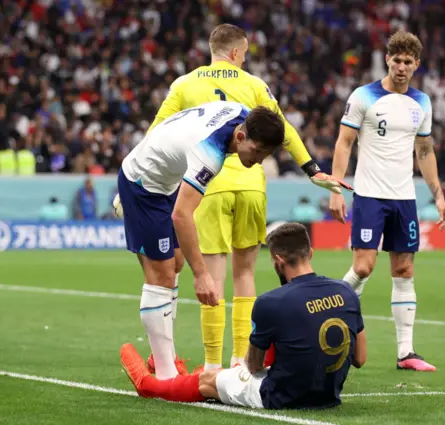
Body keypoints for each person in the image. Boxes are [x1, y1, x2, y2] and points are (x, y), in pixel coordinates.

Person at [145, 23, 352, 371]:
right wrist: (312, 169)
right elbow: (283, 130)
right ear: (238, 53)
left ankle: (212, 365)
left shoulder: (185, 84)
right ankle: (241, 361)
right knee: (245, 275)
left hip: (208, 183)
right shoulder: (255, 85)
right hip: (252, 186)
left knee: (213, 275)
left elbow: (157, 131)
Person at [115, 101, 285, 380]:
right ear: (241, 137)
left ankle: (163, 359)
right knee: (162, 276)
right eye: (257, 151)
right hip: (144, 187)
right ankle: (167, 377)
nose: (258, 160)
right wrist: (202, 275)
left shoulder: (243, 113)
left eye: (265, 155)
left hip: (167, 179)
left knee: (176, 263)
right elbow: (182, 216)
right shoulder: (210, 153)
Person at [119, 222, 367, 409]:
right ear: (310, 253)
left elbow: (254, 366)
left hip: (279, 397)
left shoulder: (271, 302)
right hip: (329, 396)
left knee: (208, 381)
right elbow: (360, 358)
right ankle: (184, 376)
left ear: (278, 260)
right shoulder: (347, 292)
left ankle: (148, 386)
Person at [329, 30, 445, 372]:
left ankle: (406, 352)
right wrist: (337, 189)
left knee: (404, 270)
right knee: (364, 267)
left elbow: (424, 150)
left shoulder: (421, 103)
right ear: (387, 60)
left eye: (407, 62)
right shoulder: (364, 96)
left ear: (417, 65)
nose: (401, 67)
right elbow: (344, 143)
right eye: (396, 60)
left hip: (404, 198)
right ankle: (327, 306)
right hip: (369, 194)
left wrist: (437, 195)